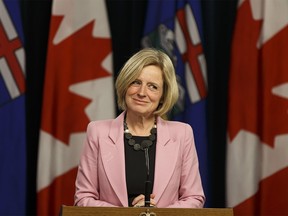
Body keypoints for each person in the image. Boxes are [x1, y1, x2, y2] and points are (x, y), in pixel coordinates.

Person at [74, 48, 205, 208]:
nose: (142, 92)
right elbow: (83, 199)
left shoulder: (182, 134)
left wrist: (157, 214)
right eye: (136, 82)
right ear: (125, 84)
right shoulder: (97, 132)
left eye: (153, 87)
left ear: (163, 96)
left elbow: (194, 198)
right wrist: (129, 215)